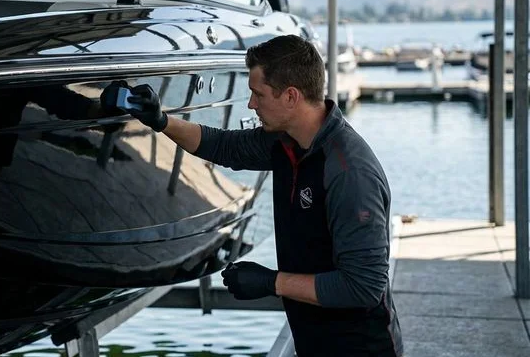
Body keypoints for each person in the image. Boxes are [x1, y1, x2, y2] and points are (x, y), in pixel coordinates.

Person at [101, 34, 403, 357]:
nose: (250, 104)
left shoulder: (349, 173)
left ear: (290, 97)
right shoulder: (286, 141)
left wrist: (270, 282)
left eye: (258, 94)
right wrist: (160, 121)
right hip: (316, 342)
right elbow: (223, 145)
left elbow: (364, 287)